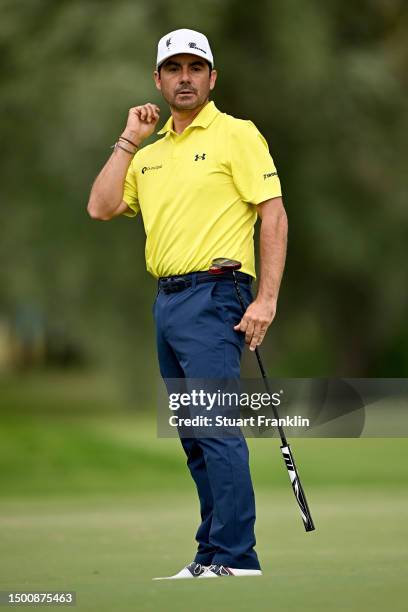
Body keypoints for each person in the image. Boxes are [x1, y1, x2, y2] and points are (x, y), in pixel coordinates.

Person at [87, 28, 288, 579]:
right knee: (194, 436)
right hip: (168, 303)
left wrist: (266, 299)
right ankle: (209, 554)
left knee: (216, 427)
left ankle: (238, 558)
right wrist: (129, 137)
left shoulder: (236, 135)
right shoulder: (148, 157)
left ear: (211, 77)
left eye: (194, 68)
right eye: (173, 68)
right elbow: (101, 207)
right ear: (157, 79)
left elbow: (273, 214)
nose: (184, 77)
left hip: (217, 294)